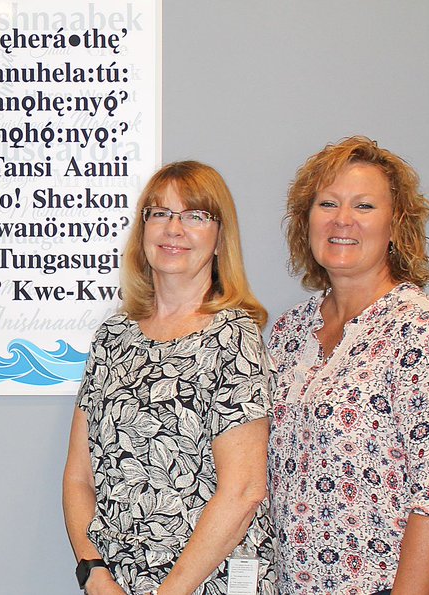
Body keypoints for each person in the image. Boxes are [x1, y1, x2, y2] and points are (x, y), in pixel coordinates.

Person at [268, 136, 429, 595]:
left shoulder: (420, 327)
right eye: (328, 203)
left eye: (363, 206)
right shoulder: (288, 333)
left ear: (396, 226)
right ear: (307, 223)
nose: (343, 220)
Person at [62, 161, 276, 595]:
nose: (173, 229)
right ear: (143, 232)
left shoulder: (233, 336)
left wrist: (169, 593)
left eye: (195, 215)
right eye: (159, 213)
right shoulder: (113, 337)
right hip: (117, 584)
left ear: (219, 240)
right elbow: (78, 478)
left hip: (208, 585)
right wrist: (94, 573)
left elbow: (244, 490)